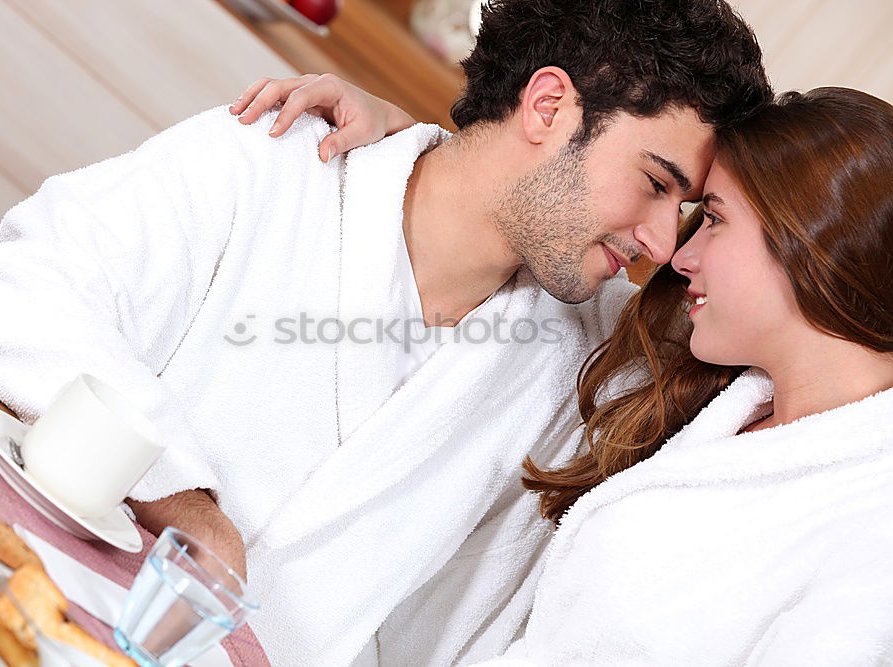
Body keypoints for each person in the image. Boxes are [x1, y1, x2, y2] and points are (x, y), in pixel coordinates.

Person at [0, 1, 770, 665]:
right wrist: (185, 502)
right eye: (655, 184)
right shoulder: (277, 158)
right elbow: (26, 285)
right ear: (548, 106)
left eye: (689, 211)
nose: (663, 242)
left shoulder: (580, 370)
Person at [251, 83, 893, 663]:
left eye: (714, 218)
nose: (677, 252)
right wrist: (409, 158)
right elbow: (531, 228)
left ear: (816, 237)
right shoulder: (709, 399)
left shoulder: (869, 535)